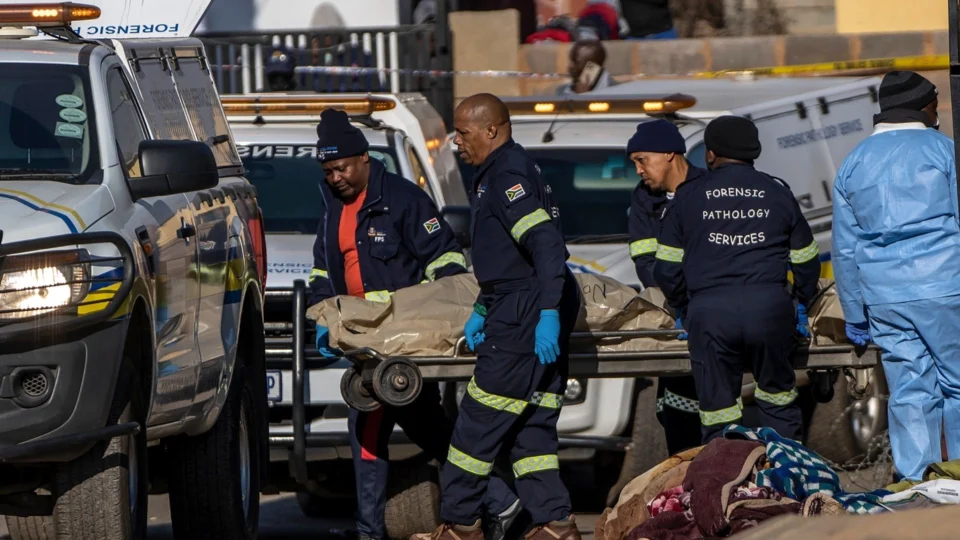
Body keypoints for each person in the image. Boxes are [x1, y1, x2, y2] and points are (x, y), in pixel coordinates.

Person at [307, 109, 521, 540]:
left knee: (418, 429)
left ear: (364, 158)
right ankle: (376, 528)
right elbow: (321, 271)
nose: (335, 178)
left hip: (406, 342)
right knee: (389, 429)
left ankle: (500, 501)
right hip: (364, 343)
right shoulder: (333, 207)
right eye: (328, 171)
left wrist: (437, 320)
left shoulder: (404, 200)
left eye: (342, 168)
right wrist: (321, 317)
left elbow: (446, 262)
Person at [414, 94, 583, 540]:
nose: (456, 141)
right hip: (520, 302)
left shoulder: (508, 174)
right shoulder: (499, 172)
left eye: (464, 132)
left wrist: (545, 309)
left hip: (526, 310)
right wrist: (484, 306)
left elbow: (545, 244)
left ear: (492, 130)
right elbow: (511, 257)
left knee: (477, 425)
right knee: (531, 430)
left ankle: (460, 524)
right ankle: (554, 524)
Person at [653, 115, 821, 443]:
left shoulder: (688, 197)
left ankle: (725, 481)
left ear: (711, 154)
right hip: (770, 310)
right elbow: (806, 258)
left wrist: (684, 307)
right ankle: (786, 476)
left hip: (711, 314)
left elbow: (666, 268)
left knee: (719, 410)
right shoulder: (778, 192)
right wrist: (802, 301)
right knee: (778, 398)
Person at [832, 70, 960, 482]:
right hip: (945, 285)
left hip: (884, 297)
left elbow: (846, 245)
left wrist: (854, 311)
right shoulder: (944, 151)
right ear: (925, 106)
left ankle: (916, 483)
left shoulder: (853, 162)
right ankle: (956, 476)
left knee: (909, 391)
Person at [625, 119, 704, 454]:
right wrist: (677, 300)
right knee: (675, 411)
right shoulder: (644, 199)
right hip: (674, 317)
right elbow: (646, 263)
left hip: (712, 314)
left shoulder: (708, 188)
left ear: (670, 154)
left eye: (643, 160)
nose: (639, 170)